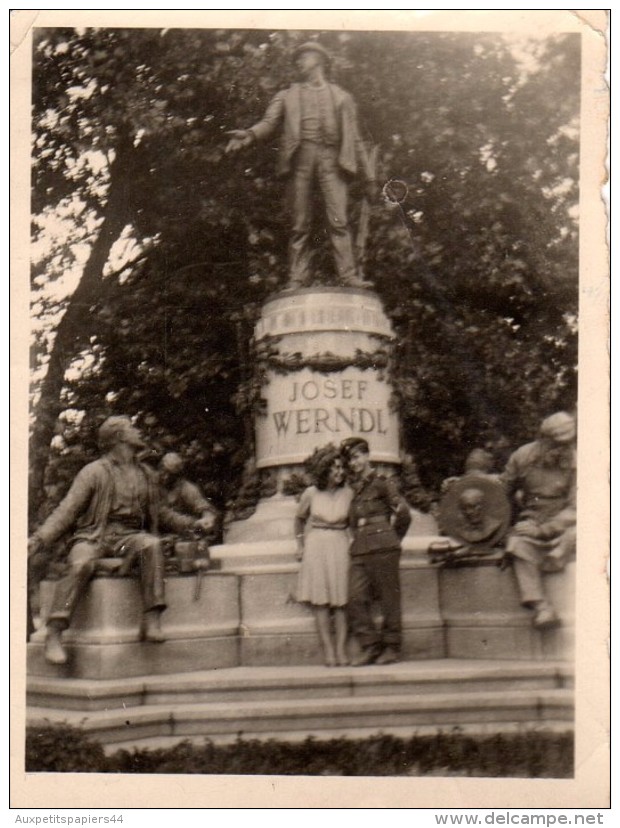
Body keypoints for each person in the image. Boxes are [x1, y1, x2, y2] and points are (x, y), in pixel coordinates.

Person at [28, 416, 211, 665]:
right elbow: (67, 511)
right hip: (94, 535)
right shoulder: (93, 472)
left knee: (152, 545)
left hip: (129, 537)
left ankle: (151, 619)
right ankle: (55, 632)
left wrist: (194, 523)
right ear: (119, 438)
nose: (139, 432)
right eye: (132, 428)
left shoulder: (146, 474)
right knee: (81, 565)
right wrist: (39, 540)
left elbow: (162, 513)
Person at [225, 41, 375, 289]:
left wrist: (369, 178)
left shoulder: (342, 97)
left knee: (339, 221)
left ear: (319, 59)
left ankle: (348, 276)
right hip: (301, 160)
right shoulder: (287, 95)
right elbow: (269, 122)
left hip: (332, 161)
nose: (298, 62)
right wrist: (249, 135)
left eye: (303, 57)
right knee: (299, 223)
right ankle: (297, 277)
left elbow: (356, 138)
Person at [500, 411, 577, 630]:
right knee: (517, 544)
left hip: (565, 525)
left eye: (567, 443)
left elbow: (576, 508)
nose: (562, 448)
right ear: (543, 439)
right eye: (557, 443)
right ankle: (542, 607)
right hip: (532, 520)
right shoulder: (522, 456)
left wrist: (544, 531)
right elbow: (501, 491)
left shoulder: (577, 463)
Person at [341, 437, 412, 665]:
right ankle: (370, 645)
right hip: (360, 549)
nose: (353, 463)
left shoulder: (382, 483)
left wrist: (393, 538)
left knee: (389, 598)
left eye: (356, 457)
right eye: (350, 459)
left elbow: (403, 513)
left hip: (384, 547)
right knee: (354, 597)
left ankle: (392, 647)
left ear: (366, 456)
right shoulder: (354, 488)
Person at [295, 445, 353, 667]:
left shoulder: (349, 493)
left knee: (341, 601)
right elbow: (299, 519)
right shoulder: (311, 493)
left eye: (341, 468)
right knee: (321, 601)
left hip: (340, 544)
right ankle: (328, 651)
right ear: (323, 470)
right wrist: (300, 544)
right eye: (334, 468)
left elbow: (353, 523)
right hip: (316, 545)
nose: (339, 472)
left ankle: (341, 651)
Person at [158, 452, 219, 537]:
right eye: (163, 471)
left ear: (177, 475)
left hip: (178, 531)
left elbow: (201, 504)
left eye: (170, 474)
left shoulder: (186, 488)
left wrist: (208, 517)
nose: (165, 477)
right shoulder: (153, 484)